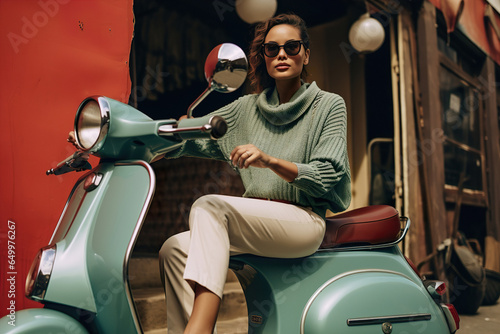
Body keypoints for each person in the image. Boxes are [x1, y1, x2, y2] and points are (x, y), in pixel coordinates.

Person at [159, 13, 351, 334]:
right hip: (257, 223)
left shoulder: (328, 105)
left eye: (291, 47)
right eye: (272, 49)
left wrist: (270, 161)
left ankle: (200, 328)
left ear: (306, 54)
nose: (281, 55)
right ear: (263, 58)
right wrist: (145, 135)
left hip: (304, 222)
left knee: (209, 205)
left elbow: (326, 175)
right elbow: (194, 136)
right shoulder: (247, 108)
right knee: (174, 249)